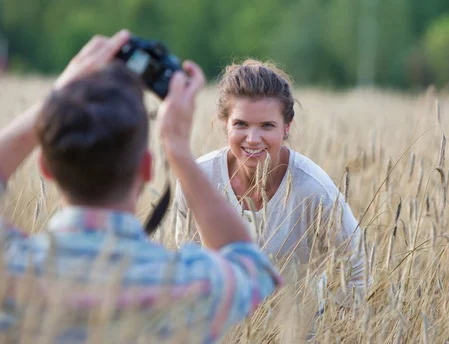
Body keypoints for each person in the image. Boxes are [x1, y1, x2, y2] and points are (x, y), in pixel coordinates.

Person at [0, 31, 280, 342]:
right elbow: (249, 264)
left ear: (45, 167)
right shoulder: (186, 285)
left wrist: (58, 98)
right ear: (146, 168)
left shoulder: (11, 269)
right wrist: (177, 148)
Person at [173, 59, 366, 308]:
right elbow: (186, 266)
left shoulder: (314, 189)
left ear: (287, 127)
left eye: (267, 126)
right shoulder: (197, 181)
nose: (253, 139)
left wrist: (334, 322)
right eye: (241, 124)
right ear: (225, 124)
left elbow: (358, 266)